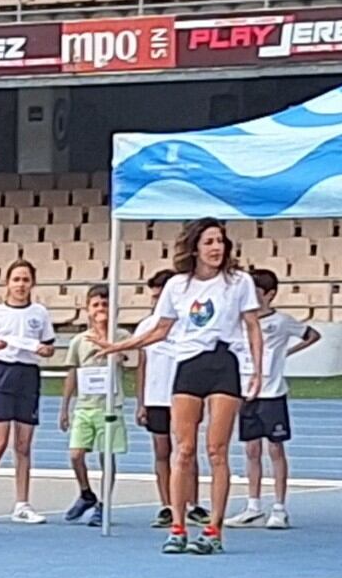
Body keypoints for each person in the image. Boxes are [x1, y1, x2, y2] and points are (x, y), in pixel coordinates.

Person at [104, 219, 263, 555]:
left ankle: (214, 529)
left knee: (216, 450)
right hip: (189, 366)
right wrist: (121, 346)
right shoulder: (178, 286)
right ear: (195, 248)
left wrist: (257, 370)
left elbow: (252, 326)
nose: (216, 248)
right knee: (184, 449)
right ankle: (177, 527)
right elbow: (160, 329)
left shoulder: (239, 282)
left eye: (220, 241)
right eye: (209, 242)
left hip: (224, 364)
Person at [231, 269, 319, 530]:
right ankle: (253, 507)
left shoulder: (281, 321)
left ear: (269, 294)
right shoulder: (240, 320)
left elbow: (312, 335)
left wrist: (287, 352)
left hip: (272, 393)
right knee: (251, 450)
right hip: (247, 392)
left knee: (275, 449)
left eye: (257, 292)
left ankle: (279, 507)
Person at [0, 259, 52, 524]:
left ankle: (22, 504)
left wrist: (44, 350)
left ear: (32, 283)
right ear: (7, 283)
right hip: (3, 376)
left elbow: (49, 347)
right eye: (16, 279)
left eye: (25, 280)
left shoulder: (39, 313)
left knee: (23, 445)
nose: (21, 285)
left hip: (28, 377)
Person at [59, 286, 121, 526]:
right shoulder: (79, 341)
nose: (100, 309)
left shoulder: (121, 336)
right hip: (85, 405)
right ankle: (86, 493)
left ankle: (104, 504)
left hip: (109, 405)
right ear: (87, 310)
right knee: (76, 454)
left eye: (105, 304)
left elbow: (128, 360)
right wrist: (65, 407)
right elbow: (72, 373)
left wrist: (107, 343)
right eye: (96, 305)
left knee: (107, 455)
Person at [135, 270, 179, 526]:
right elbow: (142, 364)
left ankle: (190, 503)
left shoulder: (184, 323)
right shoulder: (146, 326)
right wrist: (141, 402)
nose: (156, 301)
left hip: (182, 395)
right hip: (156, 398)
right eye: (153, 297)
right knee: (162, 451)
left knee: (186, 451)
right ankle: (167, 505)